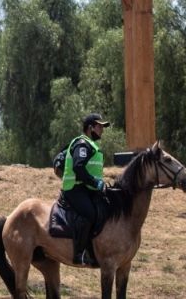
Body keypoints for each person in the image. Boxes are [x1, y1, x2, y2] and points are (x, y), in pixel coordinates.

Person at [60, 112, 110, 266]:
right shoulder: (82, 144)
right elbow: (78, 167)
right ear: (90, 128)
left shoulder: (91, 145)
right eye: (99, 126)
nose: (102, 130)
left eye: (103, 127)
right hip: (74, 189)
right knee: (90, 213)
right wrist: (95, 182)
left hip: (87, 189)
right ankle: (80, 253)